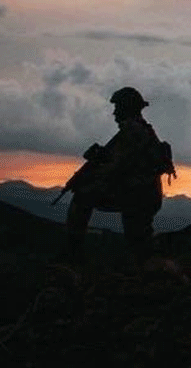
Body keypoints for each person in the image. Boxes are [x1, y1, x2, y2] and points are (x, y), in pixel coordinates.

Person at [64, 87, 175, 263]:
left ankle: (73, 256)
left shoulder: (133, 131)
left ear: (127, 108)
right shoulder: (138, 130)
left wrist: (89, 176)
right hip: (142, 194)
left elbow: (116, 168)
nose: (114, 113)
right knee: (139, 244)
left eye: (118, 108)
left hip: (139, 196)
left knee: (83, 197)